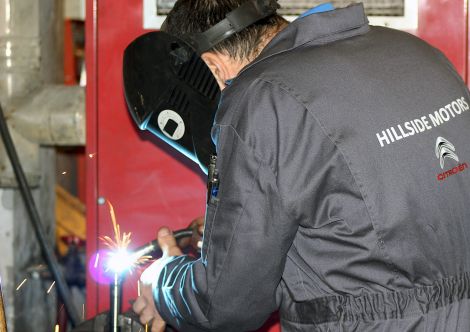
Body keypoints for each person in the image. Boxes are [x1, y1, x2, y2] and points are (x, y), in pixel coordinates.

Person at [133, 1, 470, 331]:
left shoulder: (261, 98)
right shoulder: (413, 51)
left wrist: (161, 281)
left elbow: (224, 303)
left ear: (214, 68)